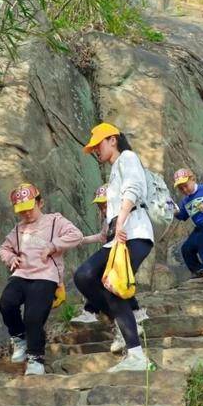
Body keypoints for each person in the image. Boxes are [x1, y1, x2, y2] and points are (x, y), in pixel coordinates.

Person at [74, 122, 155, 372]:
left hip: (134, 234)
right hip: (118, 236)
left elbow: (133, 188)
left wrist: (120, 221)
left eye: (98, 144)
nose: (96, 150)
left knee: (113, 288)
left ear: (112, 139)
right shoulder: (114, 168)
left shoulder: (128, 157)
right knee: (84, 275)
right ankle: (126, 319)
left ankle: (136, 355)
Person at [0, 183, 84, 375]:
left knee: (33, 317)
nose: (27, 214)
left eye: (30, 208)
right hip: (21, 274)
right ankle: (20, 338)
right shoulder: (18, 229)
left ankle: (35, 359)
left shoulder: (54, 221)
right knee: (6, 302)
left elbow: (76, 235)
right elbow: (4, 248)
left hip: (46, 276)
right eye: (22, 211)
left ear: (40, 203)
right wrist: (11, 258)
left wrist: (53, 246)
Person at [70, 184, 147, 326]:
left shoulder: (125, 216)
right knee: (97, 277)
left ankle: (134, 311)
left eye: (106, 205)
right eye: (100, 206)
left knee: (117, 279)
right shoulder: (108, 220)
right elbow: (102, 236)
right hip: (111, 249)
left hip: (122, 250)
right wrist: (83, 240)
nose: (103, 209)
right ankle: (92, 310)